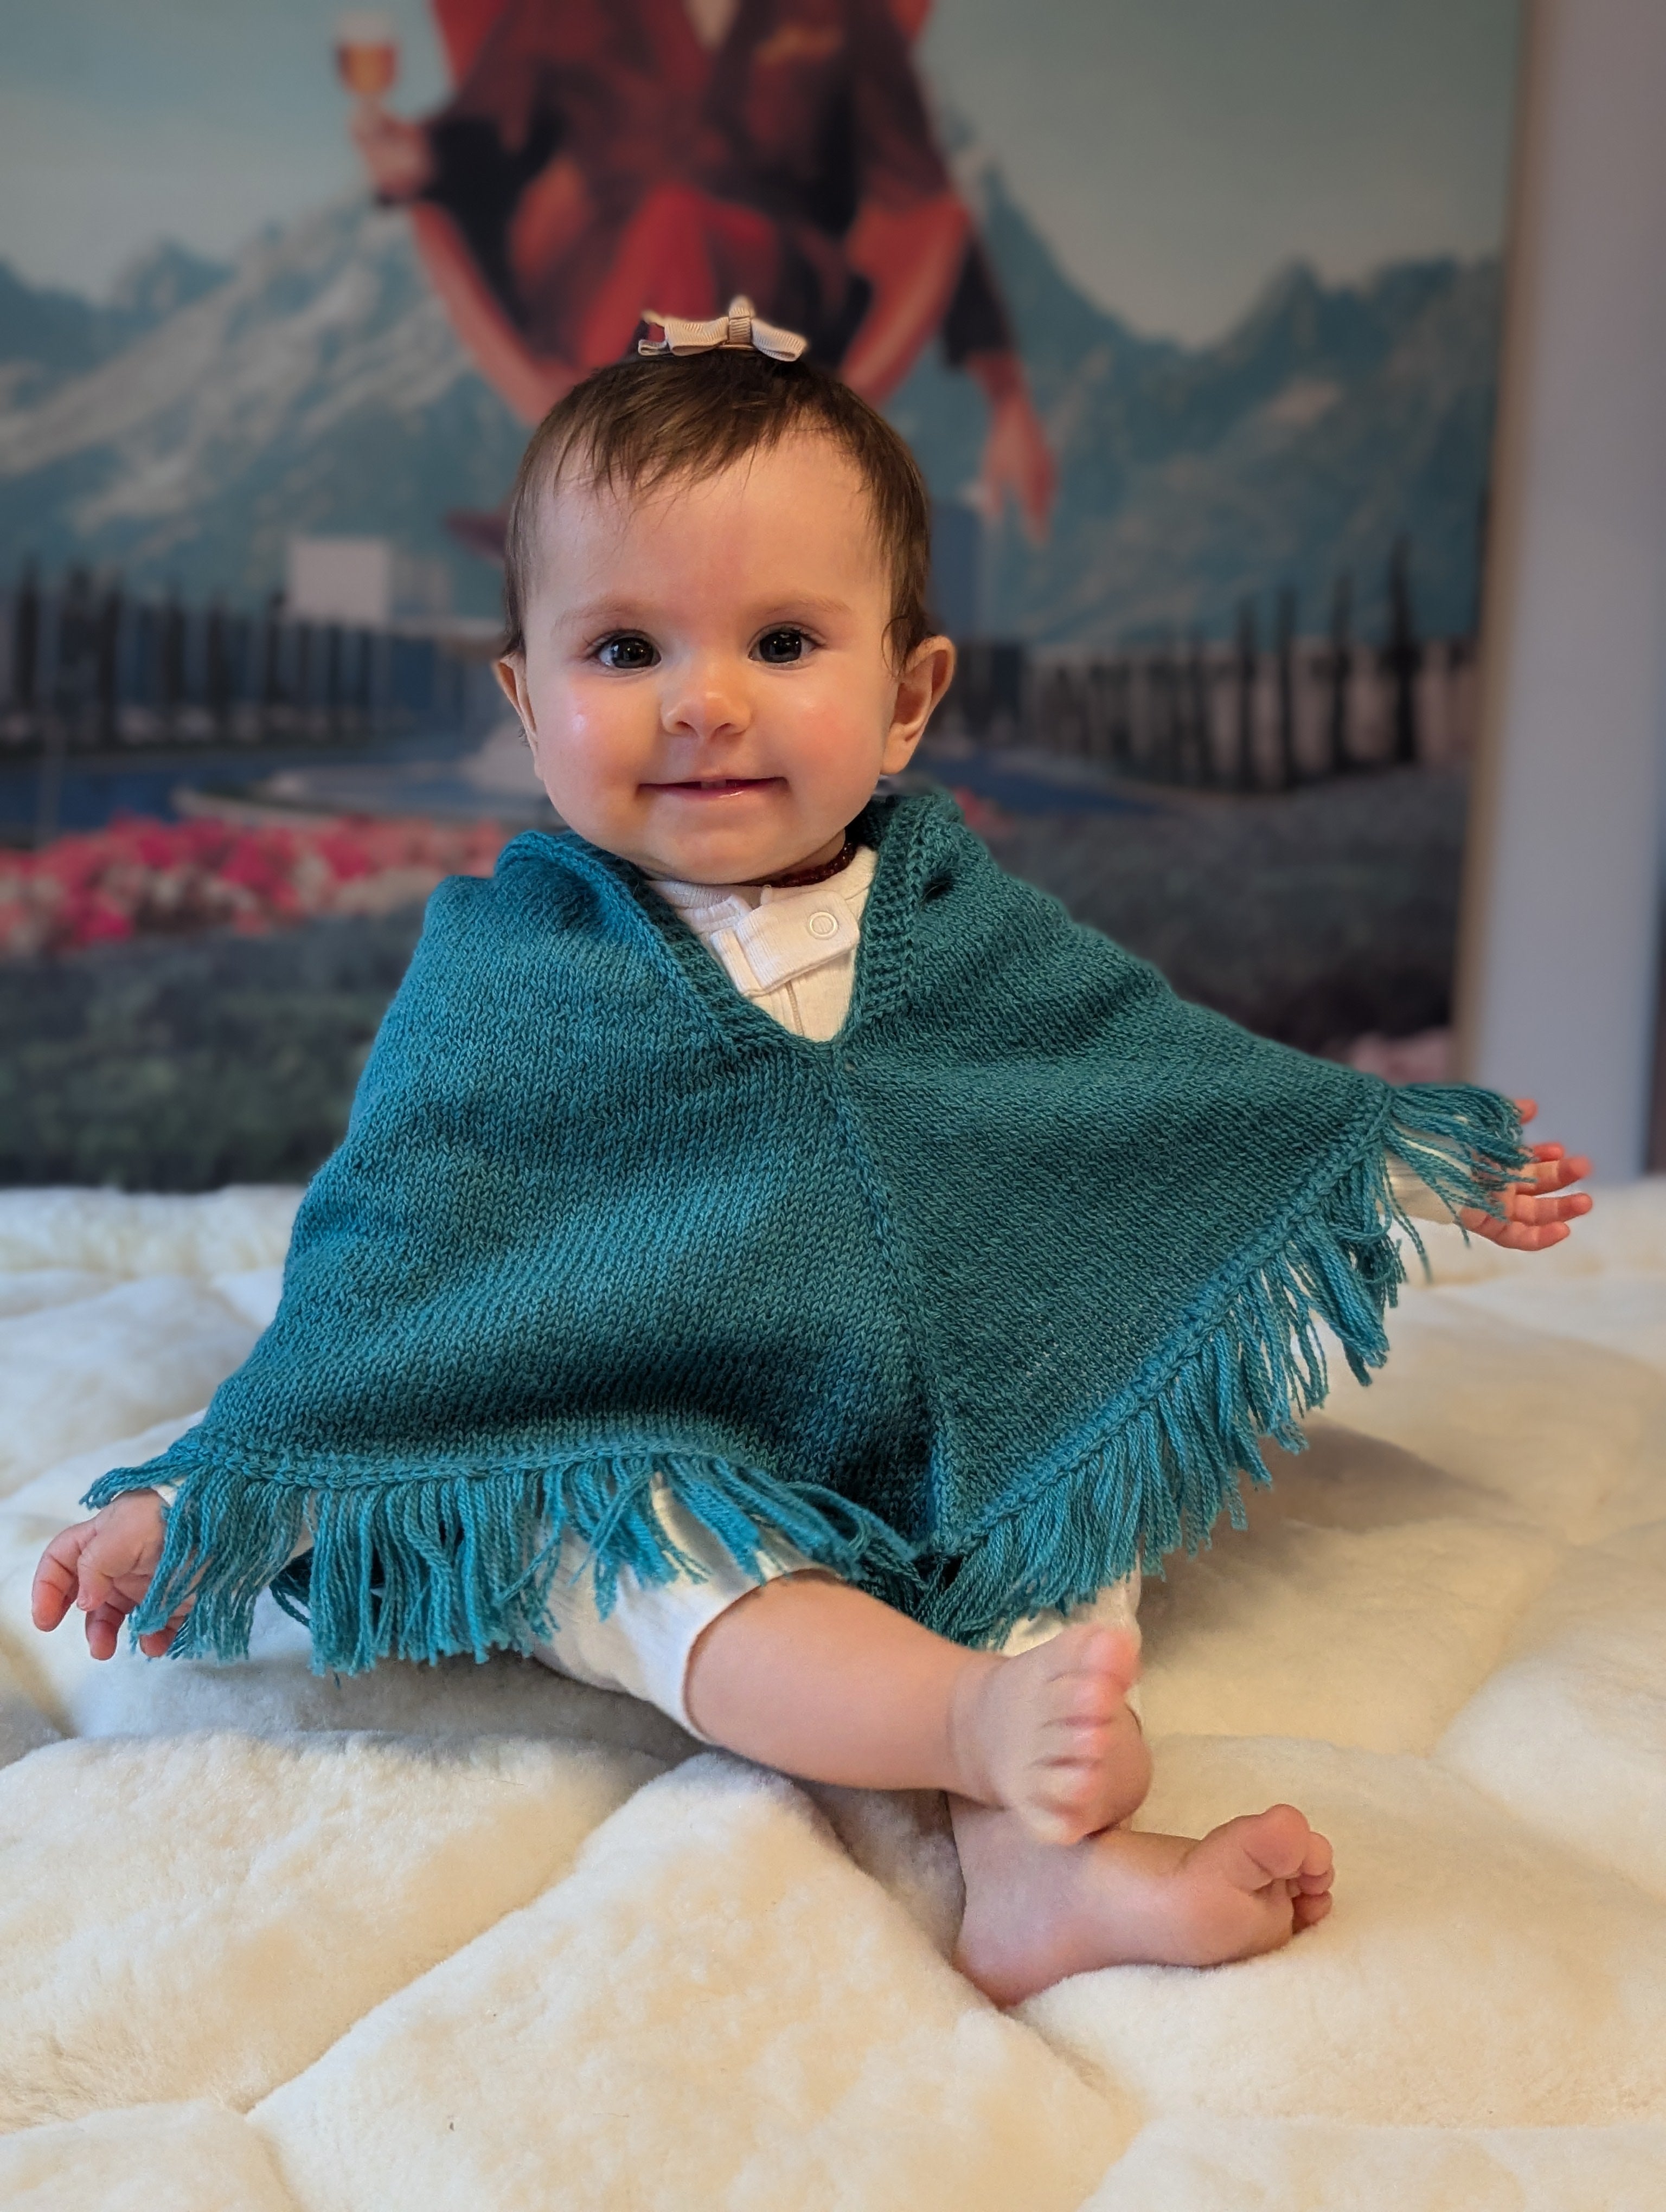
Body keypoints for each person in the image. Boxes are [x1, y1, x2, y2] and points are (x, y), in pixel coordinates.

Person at [31, 325, 1589, 2005]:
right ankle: (953, 1724)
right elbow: (394, 1261)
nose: (704, 700)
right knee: (639, 1556)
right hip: (653, 1427)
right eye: (624, 647)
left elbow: (1146, 1092)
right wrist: (212, 1484)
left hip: (936, 1418)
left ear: (909, 697)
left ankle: (1034, 1884)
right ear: (524, 699)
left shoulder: (956, 926)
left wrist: (1396, 1162)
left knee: (1066, 1454)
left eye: (782, 640)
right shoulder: (510, 973)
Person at [354, 0, 1054, 536]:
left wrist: (1006, 393)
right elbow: (487, 138)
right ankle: (629, 489)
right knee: (667, 222)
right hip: (602, 285)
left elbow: (923, 210)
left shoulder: (839, 16)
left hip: (777, 300)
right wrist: (422, 164)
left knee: (680, 218)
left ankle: (608, 487)